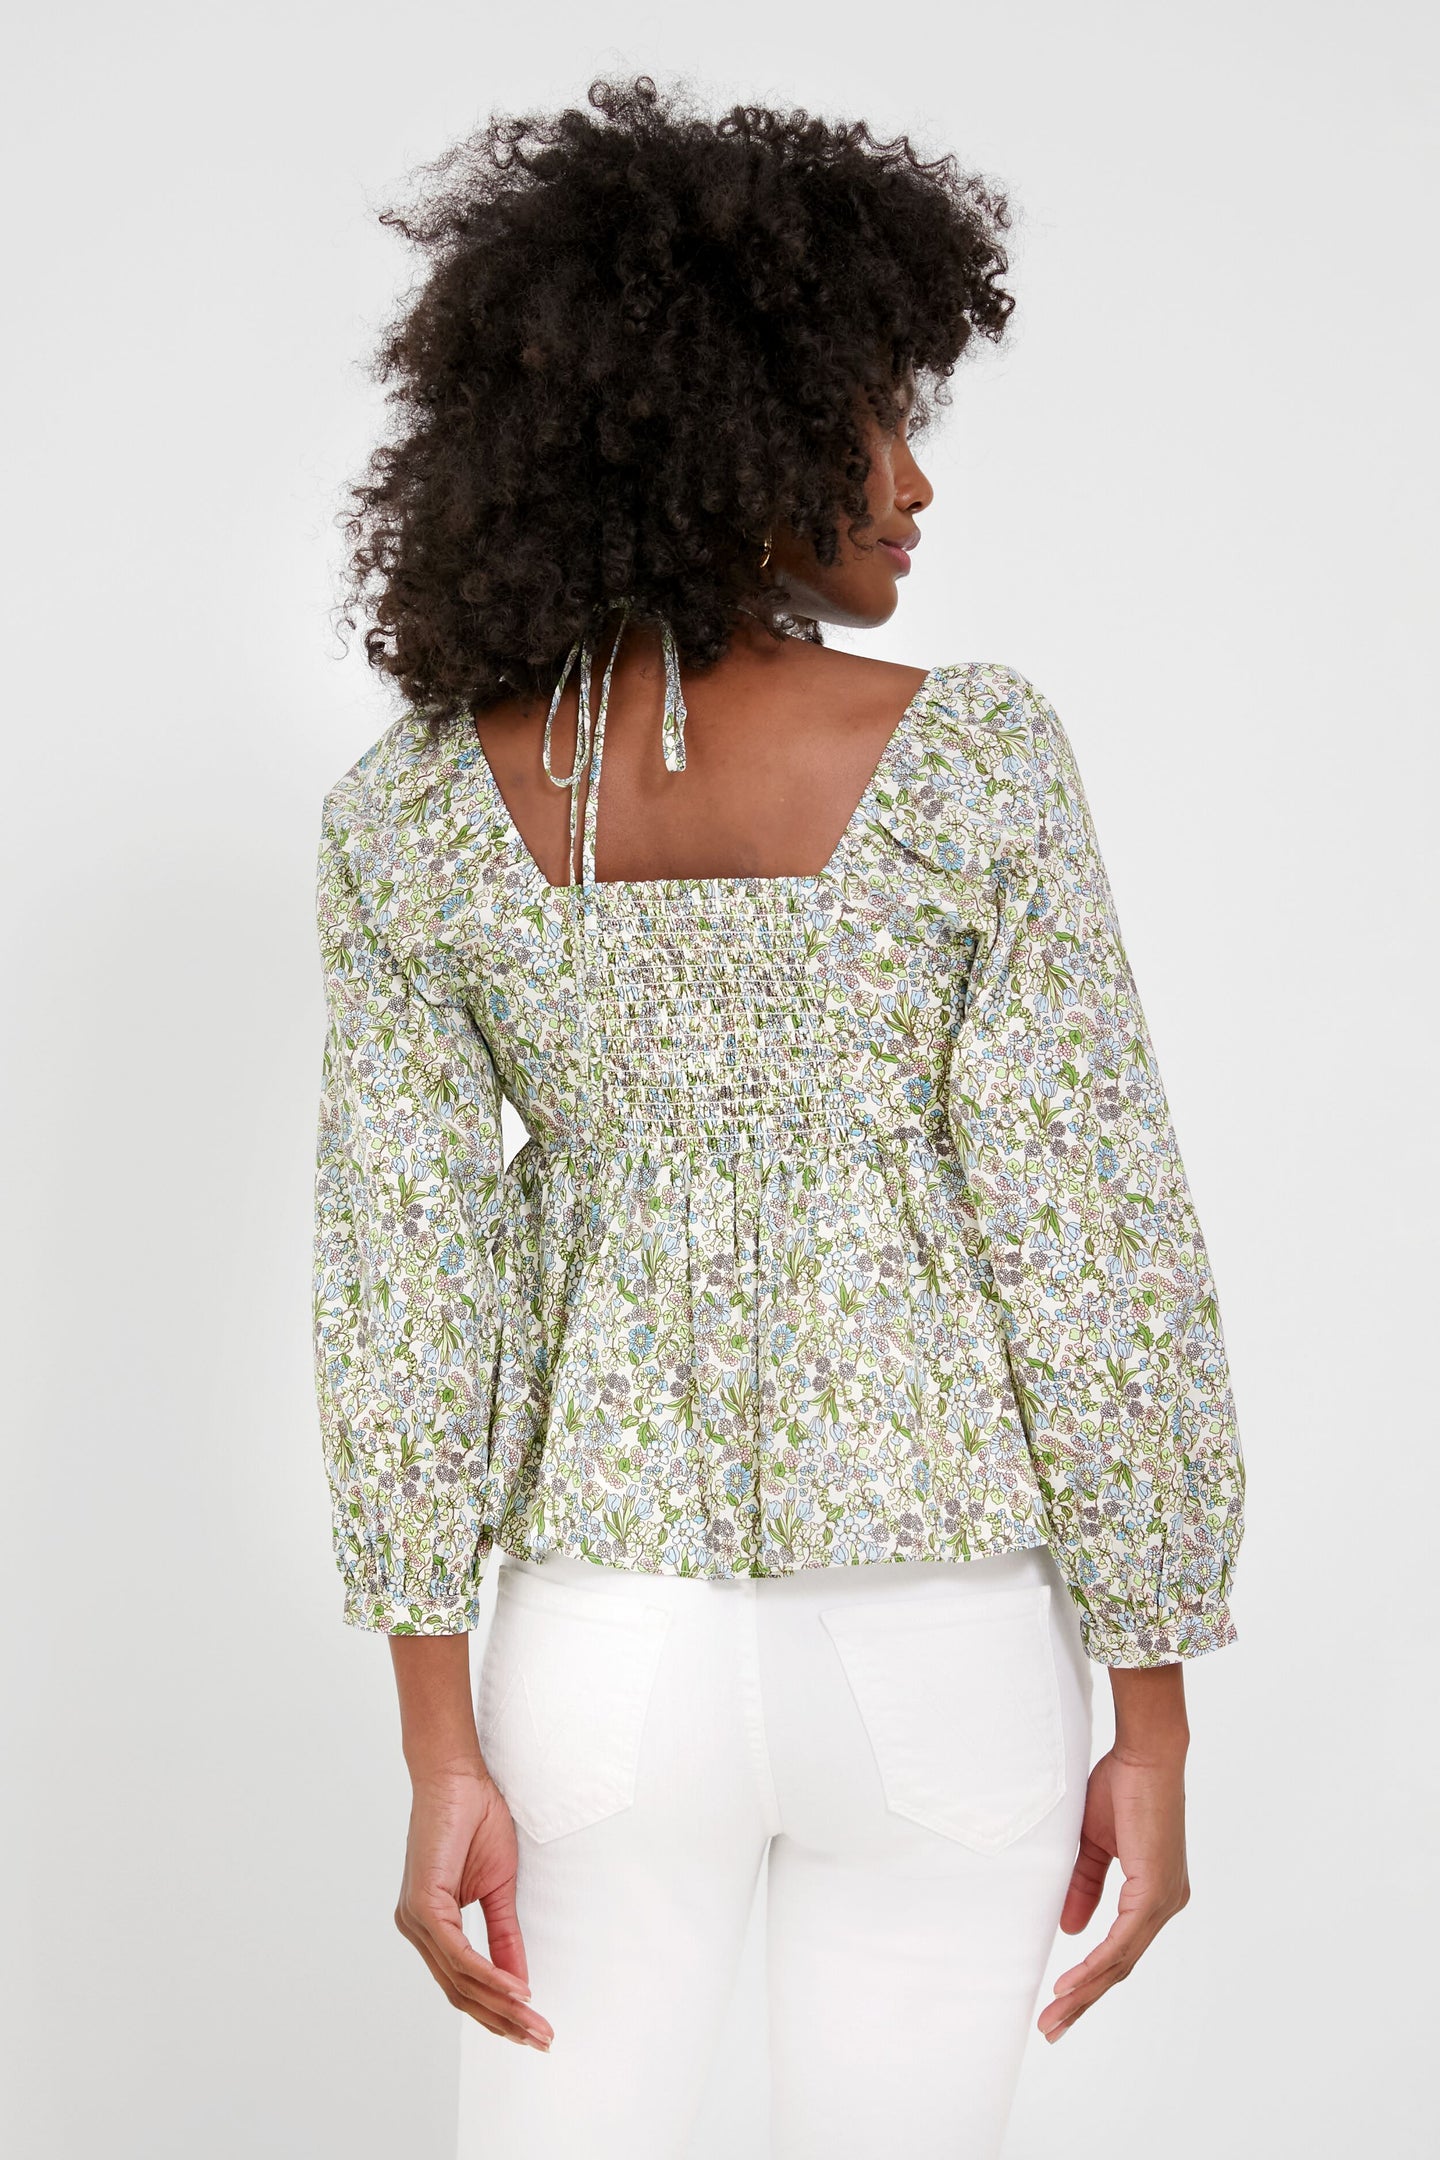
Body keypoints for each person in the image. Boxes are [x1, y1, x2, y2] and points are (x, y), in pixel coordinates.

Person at [312, 74, 1246, 2160]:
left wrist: (439, 1745)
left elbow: (400, 1304)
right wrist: (1154, 1718)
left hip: (597, 1660)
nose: (916, 480)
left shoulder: (416, 820)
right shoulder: (975, 763)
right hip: (945, 1654)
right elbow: (1096, 1245)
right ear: (715, 439)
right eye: (866, 420)